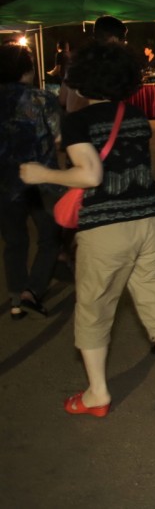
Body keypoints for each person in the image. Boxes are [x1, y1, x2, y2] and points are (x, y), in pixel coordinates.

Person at [20, 41, 155, 418]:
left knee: (95, 308)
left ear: (81, 80)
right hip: (151, 220)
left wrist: (43, 174)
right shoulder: (134, 115)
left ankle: (97, 394)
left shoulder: (78, 121)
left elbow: (91, 174)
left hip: (107, 227)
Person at [1, 42, 60, 320]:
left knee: (14, 241)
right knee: (50, 237)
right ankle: (33, 289)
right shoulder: (42, 99)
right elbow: (58, 136)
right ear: (27, 69)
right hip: (42, 178)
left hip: (5, 181)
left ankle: (15, 299)